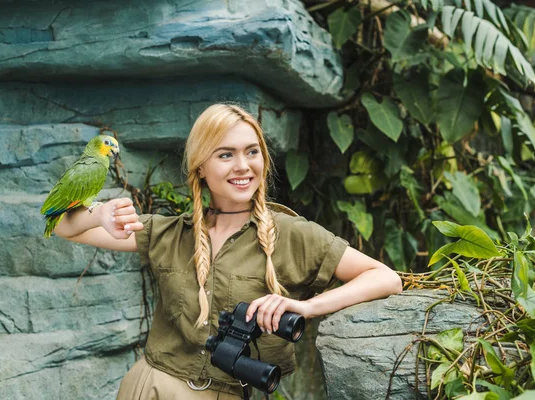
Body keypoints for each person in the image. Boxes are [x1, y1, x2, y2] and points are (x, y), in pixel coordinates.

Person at [53, 104, 403, 399]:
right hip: (151, 387)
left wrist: (307, 307)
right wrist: (99, 213)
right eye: (226, 154)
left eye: (252, 152)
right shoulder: (170, 233)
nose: (243, 165)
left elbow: (386, 278)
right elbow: (63, 227)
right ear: (201, 167)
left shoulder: (294, 234)